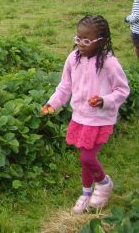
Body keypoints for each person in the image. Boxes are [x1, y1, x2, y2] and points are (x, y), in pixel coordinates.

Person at [42, 15, 130, 214]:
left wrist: (104, 100)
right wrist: (52, 103)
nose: (81, 44)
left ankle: (104, 183)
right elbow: (65, 86)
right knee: (85, 156)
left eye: (87, 41)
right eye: (78, 39)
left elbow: (122, 90)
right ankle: (86, 193)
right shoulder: (73, 59)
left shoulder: (109, 63)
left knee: (87, 158)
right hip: (80, 117)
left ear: (101, 40)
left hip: (100, 119)